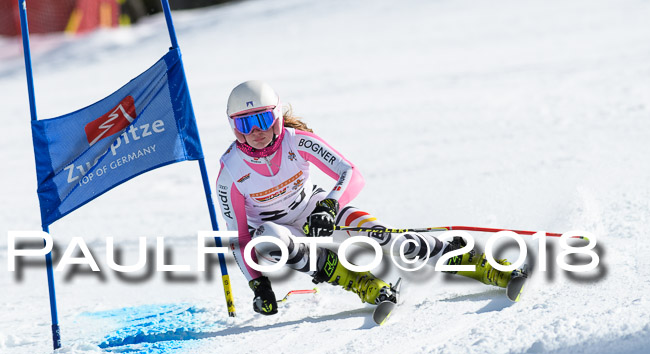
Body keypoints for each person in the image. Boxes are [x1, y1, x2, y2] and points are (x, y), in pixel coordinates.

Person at [216, 80, 523, 315]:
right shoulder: (230, 172)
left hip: (313, 207)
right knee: (269, 240)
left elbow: (351, 173)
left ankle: (478, 263)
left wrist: (329, 204)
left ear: (276, 117)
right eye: (246, 123)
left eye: (263, 119)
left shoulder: (297, 142)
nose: (256, 131)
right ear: (234, 127)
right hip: (278, 230)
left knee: (389, 241)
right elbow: (239, 238)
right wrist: (258, 285)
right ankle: (365, 284)